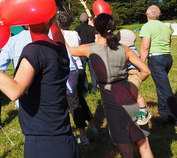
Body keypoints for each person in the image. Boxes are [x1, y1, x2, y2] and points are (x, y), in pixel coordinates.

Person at [0, 14, 79, 158]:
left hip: (43, 143)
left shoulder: (33, 50)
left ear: (26, 24)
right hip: (64, 137)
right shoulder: (59, 48)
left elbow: (15, 91)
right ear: (50, 20)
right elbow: (57, 34)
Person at [68, 14, 153, 158]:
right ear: (113, 27)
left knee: (126, 151)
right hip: (131, 100)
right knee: (144, 146)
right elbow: (146, 71)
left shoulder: (89, 48)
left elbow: (66, 49)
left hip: (113, 105)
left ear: (95, 28)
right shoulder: (125, 49)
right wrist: (134, 83)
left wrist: (57, 31)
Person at [57, 12, 96, 146]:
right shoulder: (74, 34)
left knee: (74, 103)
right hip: (79, 68)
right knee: (80, 98)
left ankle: (83, 136)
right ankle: (91, 124)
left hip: (69, 71)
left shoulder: (58, 36)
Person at [139, 5, 177, 126]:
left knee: (165, 90)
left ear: (146, 14)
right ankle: (163, 112)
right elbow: (169, 41)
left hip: (156, 59)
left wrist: (141, 63)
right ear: (160, 15)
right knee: (160, 85)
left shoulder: (147, 26)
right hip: (167, 57)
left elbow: (145, 46)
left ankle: (173, 119)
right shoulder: (165, 27)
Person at [117, 30, 151, 125]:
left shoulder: (129, 50)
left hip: (133, 72)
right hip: (126, 73)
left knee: (134, 90)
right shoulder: (124, 49)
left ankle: (144, 110)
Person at [0, 27, 32, 108]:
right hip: (48, 98)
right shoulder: (50, 37)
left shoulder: (13, 41)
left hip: (23, 97)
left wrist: (11, 87)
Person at [75, 12, 97, 92]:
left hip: (82, 51)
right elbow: (95, 39)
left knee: (83, 71)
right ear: (87, 20)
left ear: (80, 20)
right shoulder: (92, 28)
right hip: (91, 50)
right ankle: (95, 88)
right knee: (93, 71)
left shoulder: (77, 29)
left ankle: (85, 88)